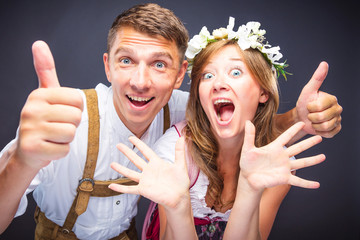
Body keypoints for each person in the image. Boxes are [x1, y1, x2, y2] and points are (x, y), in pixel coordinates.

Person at [0, 3, 341, 240]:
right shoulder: (63, 117)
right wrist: (21, 160)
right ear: (107, 66)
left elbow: (242, 127)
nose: (141, 82)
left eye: (159, 64)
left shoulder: (189, 108)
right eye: (126, 60)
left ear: (180, 76)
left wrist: (297, 118)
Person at [108, 18, 332, 240]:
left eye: (235, 72)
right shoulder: (175, 149)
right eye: (207, 75)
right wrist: (178, 206)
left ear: (263, 91)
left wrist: (249, 190)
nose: (218, 84)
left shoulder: (273, 161)